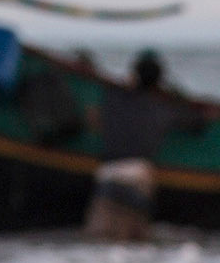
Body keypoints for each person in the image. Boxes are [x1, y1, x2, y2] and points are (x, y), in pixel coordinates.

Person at [85, 49, 200, 242]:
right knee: (136, 252)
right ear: (159, 80)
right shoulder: (162, 109)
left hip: (109, 181)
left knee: (101, 246)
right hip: (139, 183)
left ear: (134, 75)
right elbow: (196, 121)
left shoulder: (114, 98)